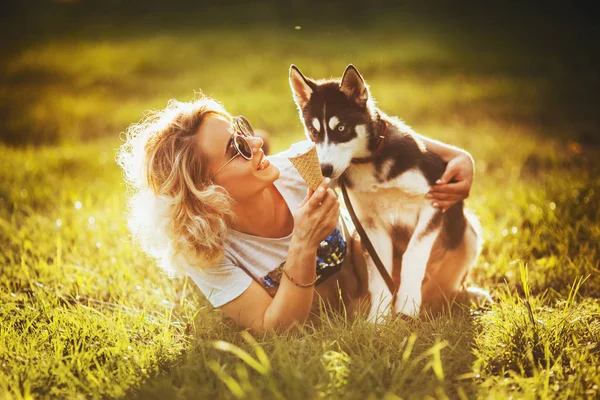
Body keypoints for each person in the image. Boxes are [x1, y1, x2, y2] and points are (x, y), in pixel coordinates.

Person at [116, 96, 477, 333]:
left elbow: (372, 136)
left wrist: (457, 156)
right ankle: (449, 294)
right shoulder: (204, 250)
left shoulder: (298, 168)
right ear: (203, 188)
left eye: (243, 131)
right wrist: (303, 243)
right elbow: (274, 328)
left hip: (361, 282)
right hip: (325, 312)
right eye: (236, 148)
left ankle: (445, 291)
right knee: (428, 298)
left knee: (457, 241)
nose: (254, 143)